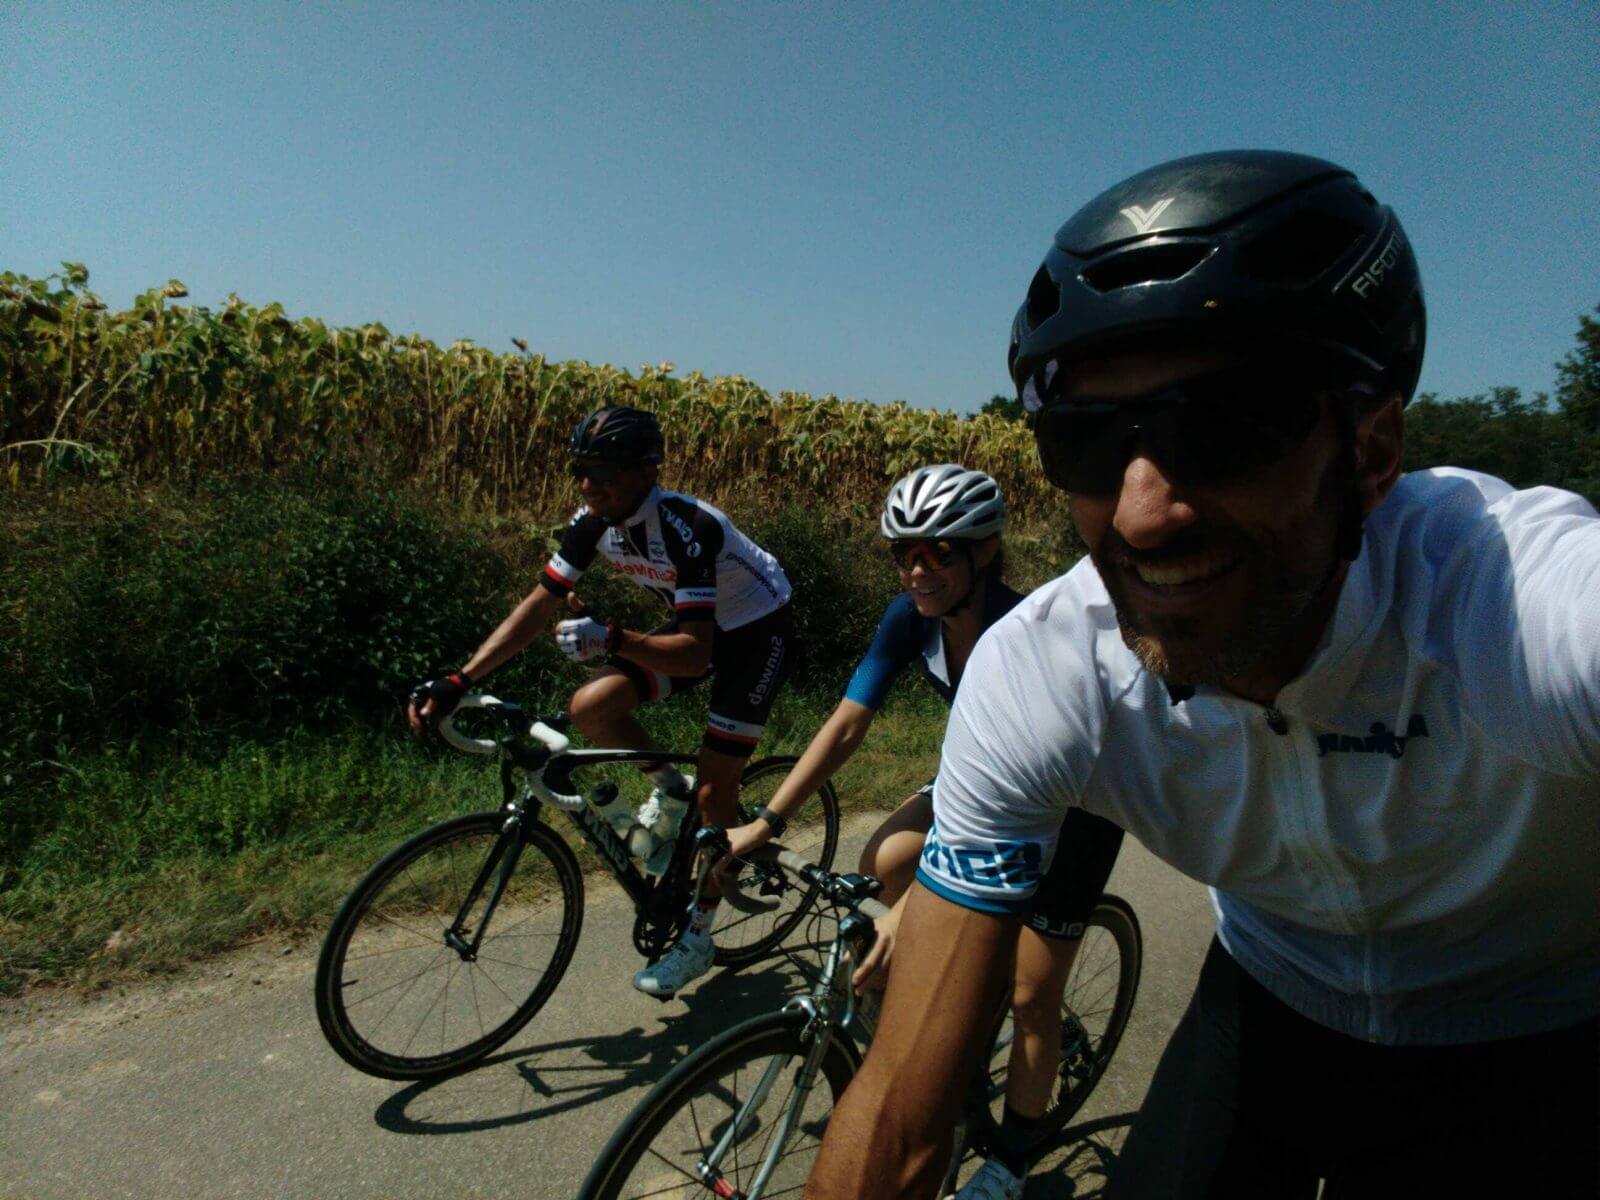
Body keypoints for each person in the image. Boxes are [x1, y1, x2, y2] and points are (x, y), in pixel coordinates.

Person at [806, 150, 1599, 1198]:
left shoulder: (1512, 602)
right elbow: (903, 1110)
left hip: (1541, 1031)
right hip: (1275, 996)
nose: (1141, 512)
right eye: (1082, 443)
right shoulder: (1044, 666)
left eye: (1221, 426)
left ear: (1369, 453)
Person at [726, 462, 1126, 1199]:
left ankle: (1008, 1162)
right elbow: (848, 723)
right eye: (901, 552)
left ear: (985, 553)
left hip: (1072, 808)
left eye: (938, 551)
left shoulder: (1026, 631)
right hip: (985, 781)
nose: (917, 568)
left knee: (1034, 994)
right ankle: (949, 1015)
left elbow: (1020, 818)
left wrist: (917, 915)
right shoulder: (910, 618)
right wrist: (768, 820)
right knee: (885, 858)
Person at [410, 405, 796, 997]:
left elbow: (694, 656)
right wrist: (459, 680)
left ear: (645, 470)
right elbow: (539, 605)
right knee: (592, 707)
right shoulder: (594, 521)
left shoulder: (687, 526)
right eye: (580, 470)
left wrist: (613, 638)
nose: (589, 484)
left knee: (720, 791)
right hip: (695, 630)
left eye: (604, 471)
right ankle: (673, 791)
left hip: (754, 634)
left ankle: (698, 934)